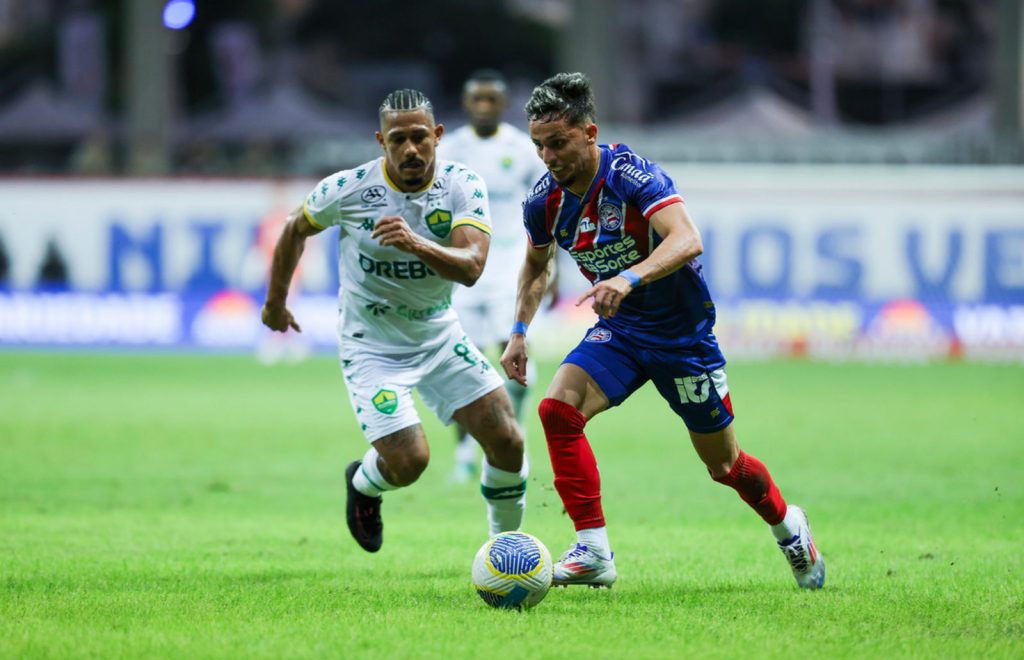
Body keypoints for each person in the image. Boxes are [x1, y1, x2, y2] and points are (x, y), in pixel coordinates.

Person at [500, 73, 825, 589]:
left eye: (558, 142)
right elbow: (538, 266)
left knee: (725, 467)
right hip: (623, 332)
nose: (548, 156)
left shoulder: (631, 174)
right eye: (539, 145)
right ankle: (593, 551)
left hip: (683, 338)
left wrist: (628, 278)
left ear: (589, 132)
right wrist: (519, 330)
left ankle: (789, 527)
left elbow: (687, 238)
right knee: (557, 411)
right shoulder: (544, 202)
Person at [262, 89, 528, 552]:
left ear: (438, 135)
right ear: (380, 141)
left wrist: (415, 243)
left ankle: (506, 550)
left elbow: (471, 267)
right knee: (410, 462)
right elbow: (293, 228)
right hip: (371, 344)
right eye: (397, 139)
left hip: (438, 333)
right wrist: (275, 303)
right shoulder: (349, 189)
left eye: (420, 137)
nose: (410, 149)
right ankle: (364, 484)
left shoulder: (462, 184)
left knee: (507, 438)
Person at [437, 69, 551, 483]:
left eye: (492, 100)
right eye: (477, 99)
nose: (484, 107)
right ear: (466, 104)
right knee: (461, 366)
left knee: (516, 364)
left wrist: (549, 268)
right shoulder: (449, 149)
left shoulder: (522, 150)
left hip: (510, 269)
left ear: (503, 105)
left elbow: (547, 210)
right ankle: (465, 453)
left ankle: (512, 436)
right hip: (463, 270)